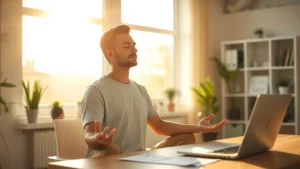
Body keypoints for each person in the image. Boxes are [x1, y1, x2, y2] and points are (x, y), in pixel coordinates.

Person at [81, 24, 227, 158]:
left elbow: (159, 126)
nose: (134, 49)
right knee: (112, 150)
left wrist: (198, 127)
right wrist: (97, 140)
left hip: (138, 157)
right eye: (127, 46)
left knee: (187, 137)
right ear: (110, 54)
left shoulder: (140, 90)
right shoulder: (96, 90)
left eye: (134, 45)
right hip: (105, 159)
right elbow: (90, 134)